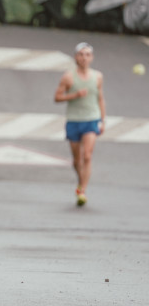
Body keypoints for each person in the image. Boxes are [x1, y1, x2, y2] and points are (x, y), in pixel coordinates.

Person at [54, 42, 106, 206]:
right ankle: (80, 181)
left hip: (91, 119)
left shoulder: (98, 76)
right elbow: (57, 97)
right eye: (81, 55)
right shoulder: (68, 77)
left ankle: (82, 190)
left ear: (92, 58)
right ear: (76, 57)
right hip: (74, 120)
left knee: (87, 156)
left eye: (87, 55)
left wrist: (103, 120)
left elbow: (100, 98)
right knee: (77, 160)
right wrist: (75, 95)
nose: (84, 58)